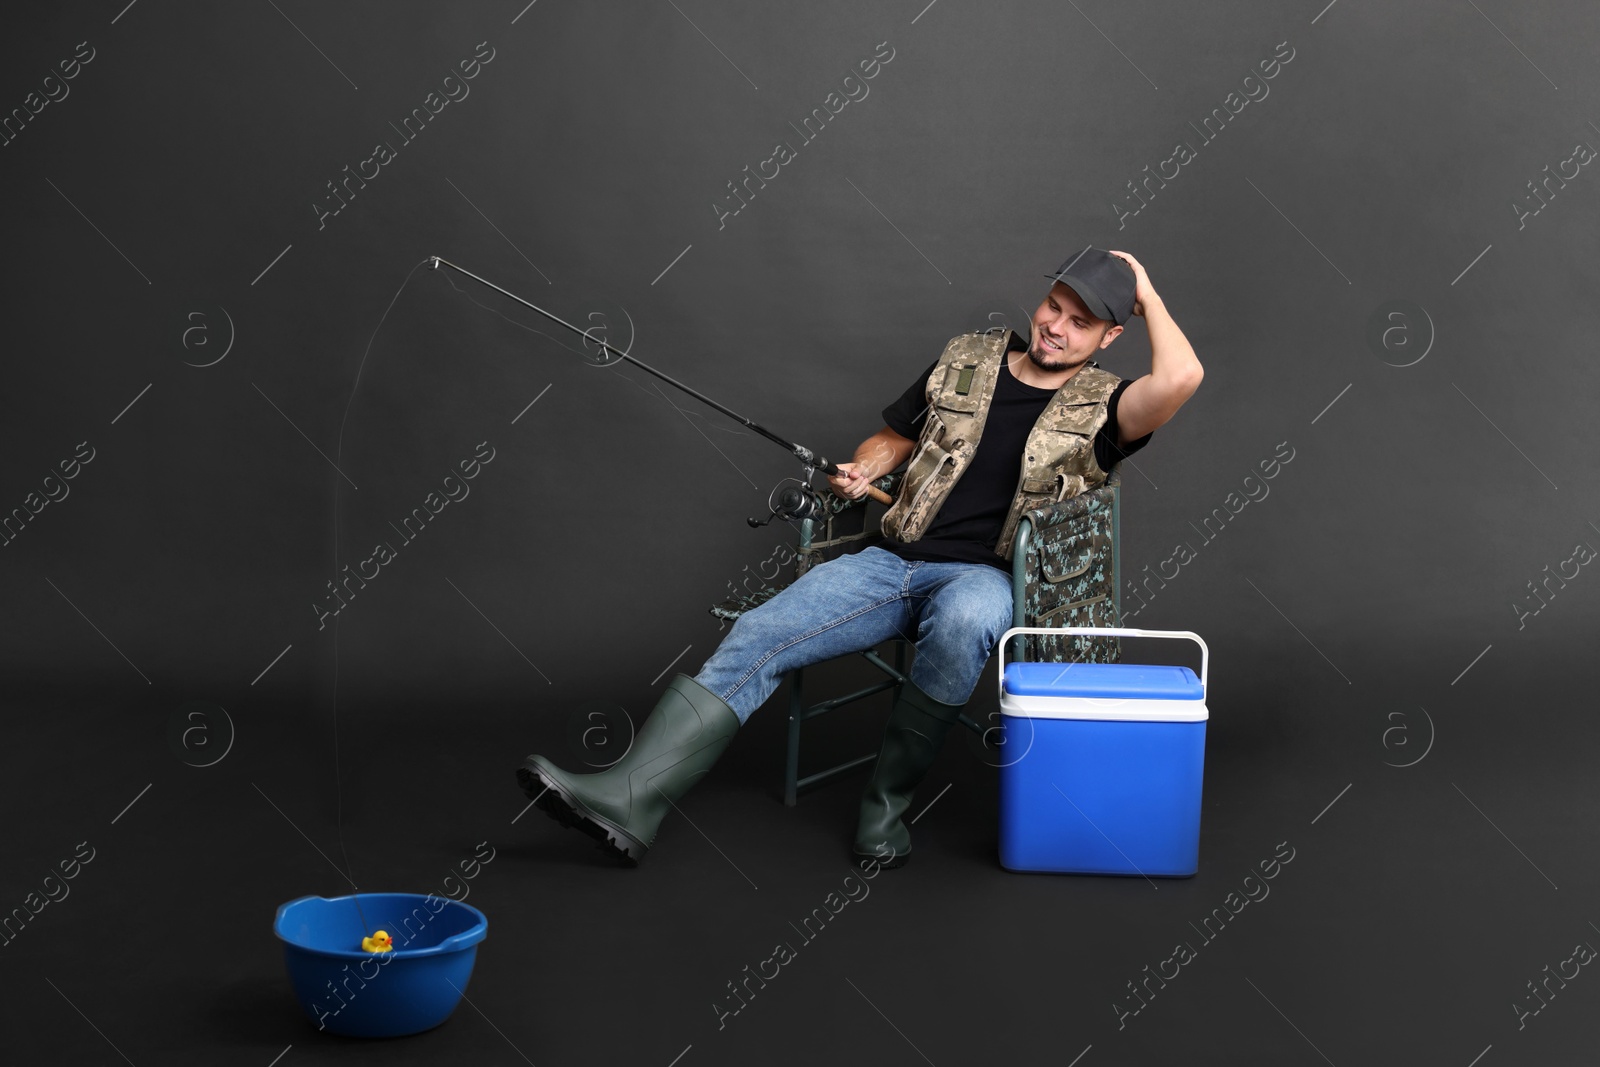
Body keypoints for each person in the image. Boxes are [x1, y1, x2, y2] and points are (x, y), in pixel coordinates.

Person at [517, 246, 1203, 868]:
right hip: (890, 559)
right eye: (1055, 304)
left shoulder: (1110, 406)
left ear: (1112, 334)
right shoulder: (970, 355)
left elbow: (1182, 376)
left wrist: (1145, 287)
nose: (1057, 325)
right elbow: (894, 437)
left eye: (1082, 322)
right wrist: (861, 466)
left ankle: (886, 812)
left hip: (985, 578)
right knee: (760, 630)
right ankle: (630, 796)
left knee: (964, 622)